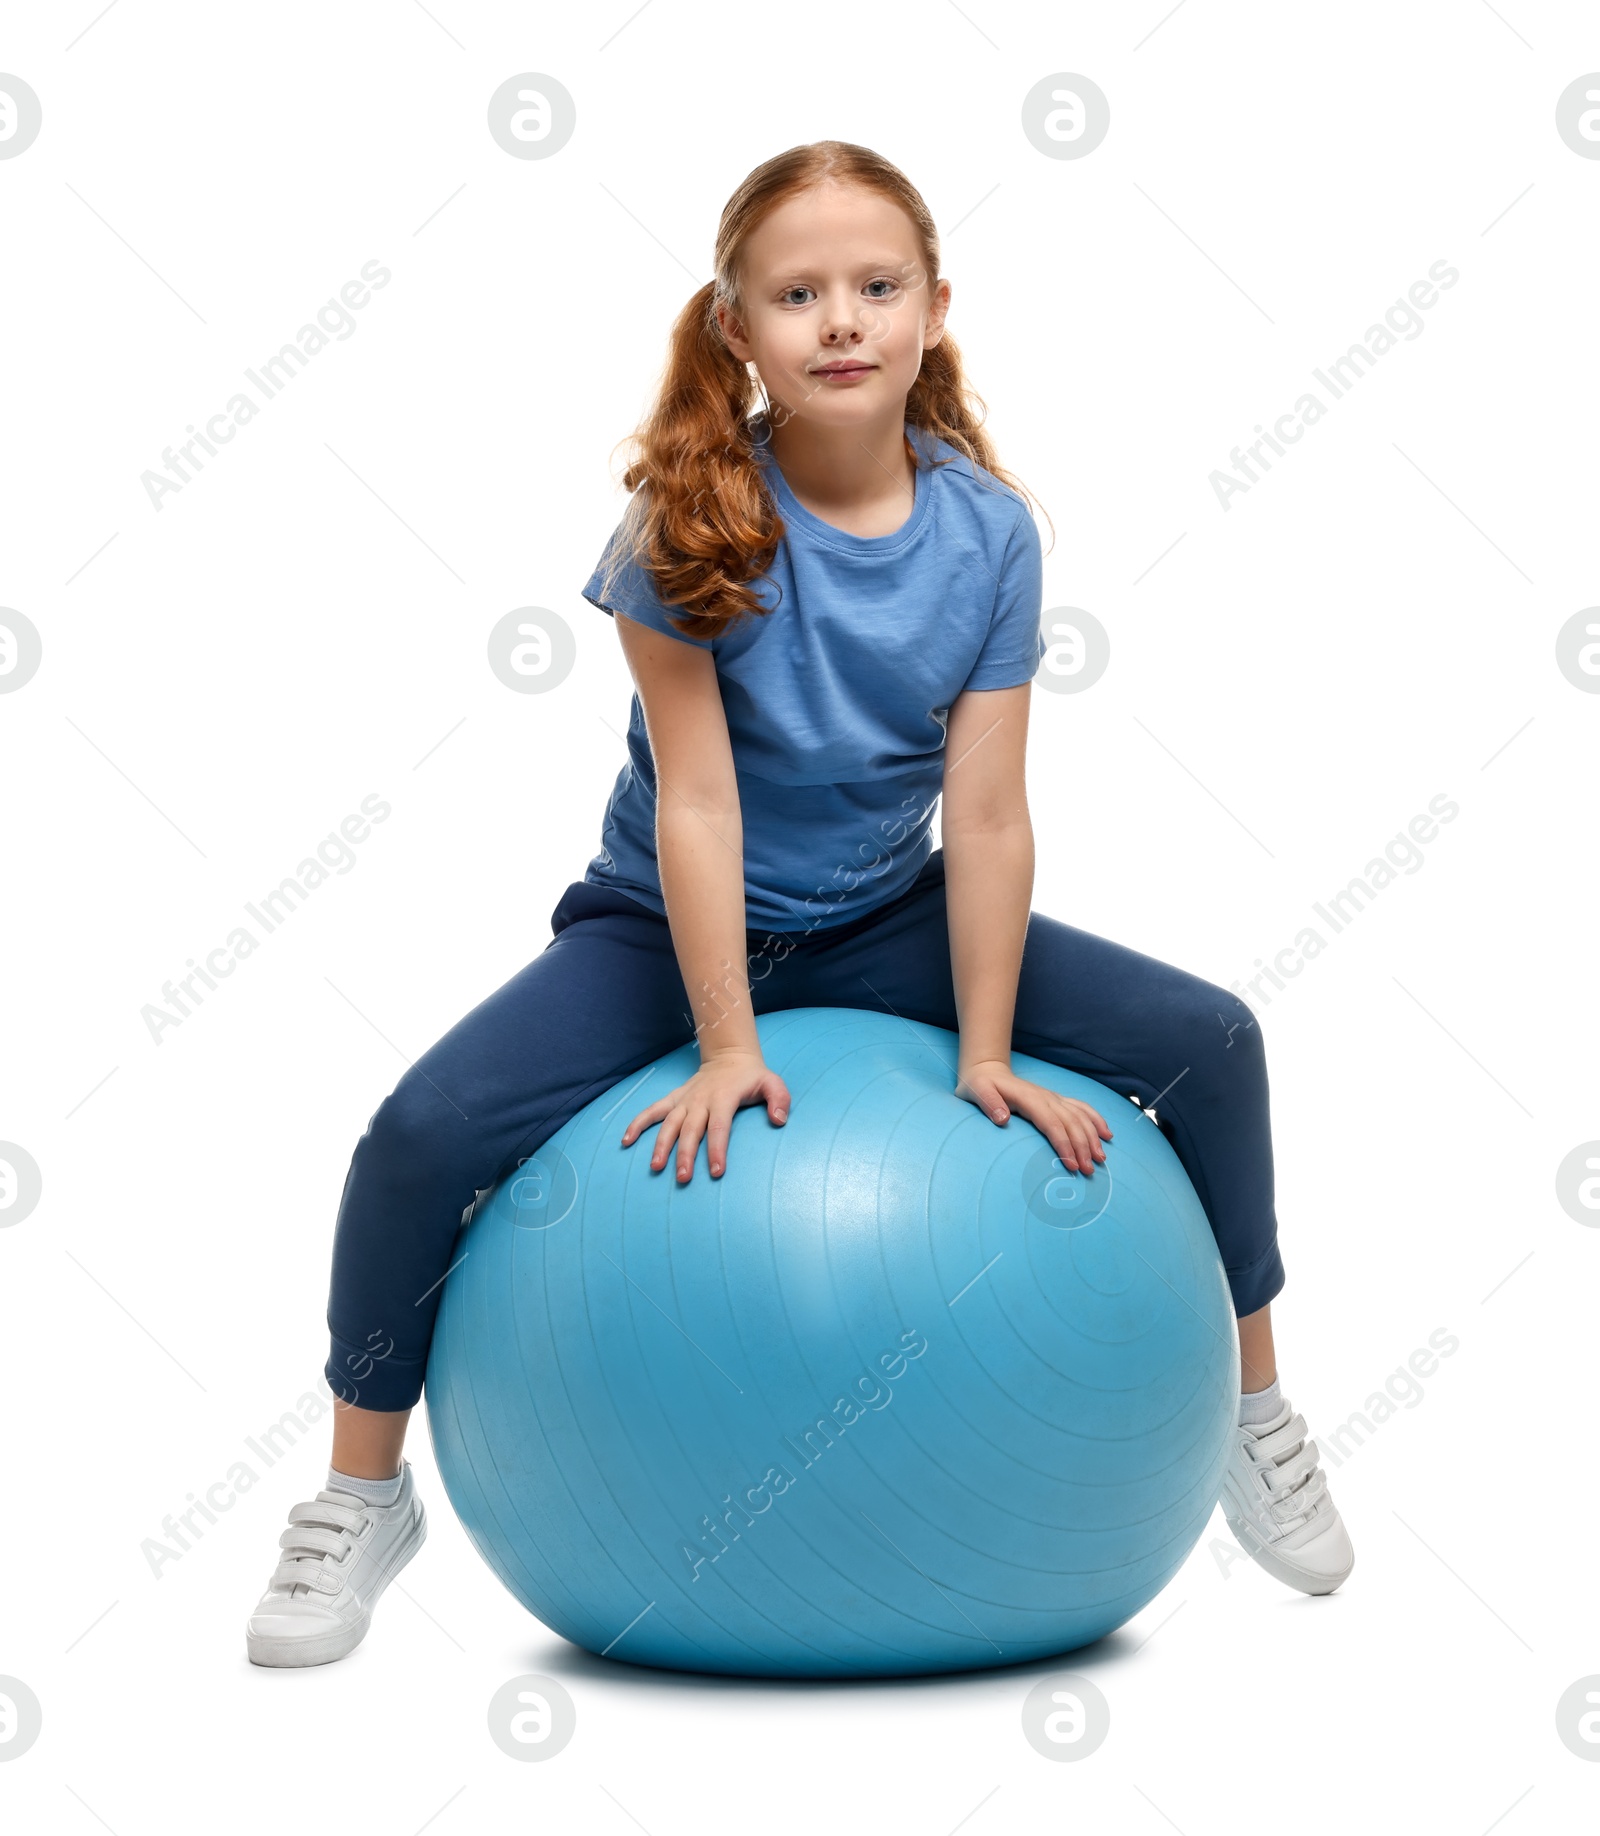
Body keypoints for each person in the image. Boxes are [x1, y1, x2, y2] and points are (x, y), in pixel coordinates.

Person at [244, 138, 1353, 1669]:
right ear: (736, 329)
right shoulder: (687, 523)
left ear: (934, 311)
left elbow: (986, 811)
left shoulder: (992, 534)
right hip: (663, 924)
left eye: (876, 286)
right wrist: (723, 1039)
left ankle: (1259, 1409)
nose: (841, 319)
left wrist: (983, 1052)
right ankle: (357, 1496)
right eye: (799, 293)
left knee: (1215, 1040)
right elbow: (698, 804)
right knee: (421, 1135)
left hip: (892, 916)